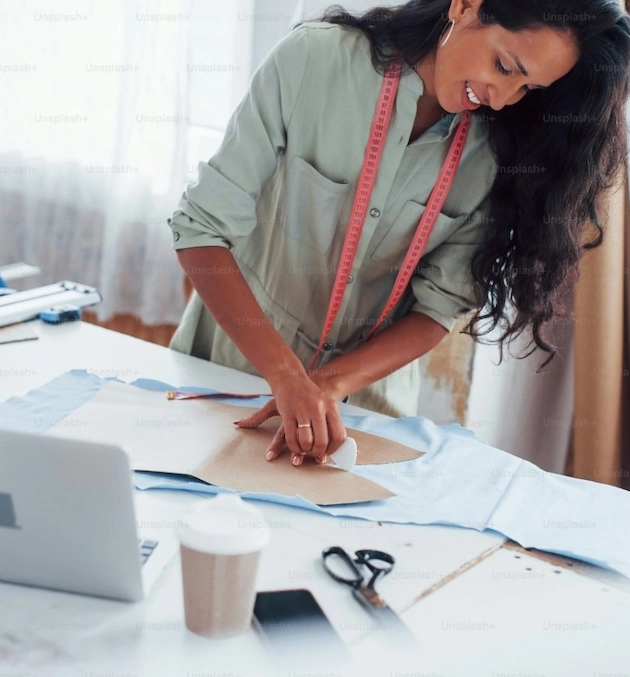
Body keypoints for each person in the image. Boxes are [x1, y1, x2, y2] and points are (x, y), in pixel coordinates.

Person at [167, 0, 630, 467]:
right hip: (228, 375)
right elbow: (200, 230)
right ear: (466, 7)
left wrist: (326, 386)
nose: (503, 97)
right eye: (504, 66)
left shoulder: (497, 151)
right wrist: (286, 377)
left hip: (363, 415)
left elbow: (437, 309)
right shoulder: (314, 61)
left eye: (527, 87)